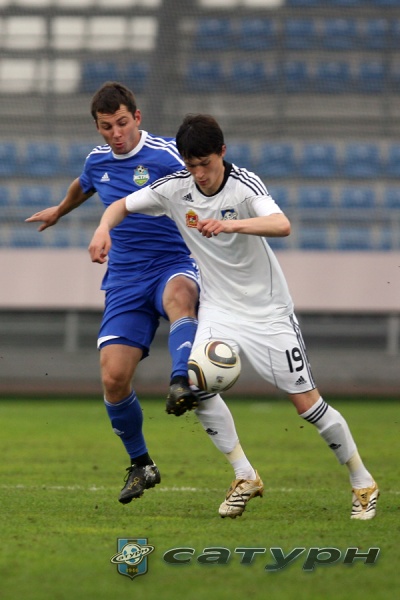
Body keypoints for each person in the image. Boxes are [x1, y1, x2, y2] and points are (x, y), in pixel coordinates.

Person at [88, 113, 379, 521]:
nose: (199, 174)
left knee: (306, 404)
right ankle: (245, 475)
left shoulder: (245, 185)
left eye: (205, 163)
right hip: (220, 308)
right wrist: (103, 228)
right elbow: (122, 204)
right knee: (196, 385)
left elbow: (281, 224)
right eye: (191, 165)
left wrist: (231, 225)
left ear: (222, 153)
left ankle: (362, 481)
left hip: (267, 311)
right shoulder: (175, 188)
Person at [25, 82, 203, 505]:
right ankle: (142, 464)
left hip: (173, 261)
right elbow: (83, 184)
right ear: (98, 127)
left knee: (180, 298)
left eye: (122, 123)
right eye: (107, 127)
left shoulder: (167, 155)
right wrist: (60, 209)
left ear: (136, 118)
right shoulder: (98, 160)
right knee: (113, 378)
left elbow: (207, 178)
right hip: (124, 278)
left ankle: (181, 381)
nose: (116, 133)